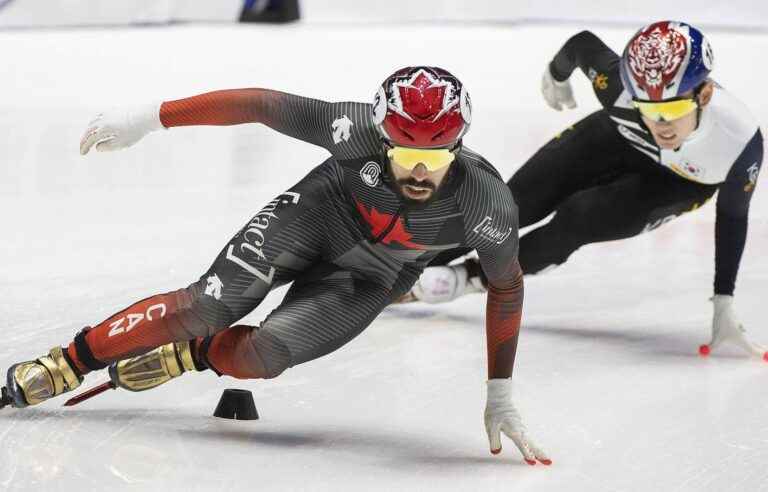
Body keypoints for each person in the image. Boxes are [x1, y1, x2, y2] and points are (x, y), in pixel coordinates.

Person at [0, 66, 550, 464]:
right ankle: (68, 361)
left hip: (374, 274)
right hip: (316, 214)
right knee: (207, 306)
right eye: (406, 156)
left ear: (460, 147)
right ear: (381, 140)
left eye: (435, 158)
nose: (419, 174)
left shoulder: (486, 202)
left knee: (262, 358)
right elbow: (260, 104)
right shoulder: (351, 128)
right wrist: (150, 119)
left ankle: (194, 356)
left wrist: (499, 390)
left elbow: (507, 286)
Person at [403, 21, 765, 360]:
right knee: (510, 207)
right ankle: (403, 263)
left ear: (703, 94)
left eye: (672, 108)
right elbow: (582, 45)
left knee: (579, 219)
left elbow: (733, 217)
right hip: (619, 138)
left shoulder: (738, 143)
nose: (661, 124)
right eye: (648, 108)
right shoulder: (619, 88)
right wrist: (556, 75)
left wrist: (724, 301)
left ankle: (467, 279)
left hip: (679, 182)